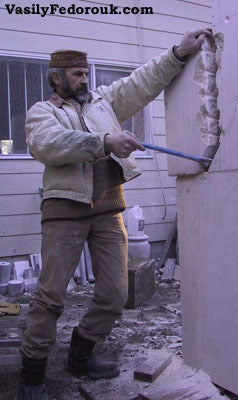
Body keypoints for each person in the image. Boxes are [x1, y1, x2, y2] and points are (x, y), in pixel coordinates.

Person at [14, 28, 211, 400]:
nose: (85, 79)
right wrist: (104, 141)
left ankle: (81, 353)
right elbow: (48, 145)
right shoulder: (43, 113)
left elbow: (143, 81)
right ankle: (33, 373)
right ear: (57, 78)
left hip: (108, 207)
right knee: (51, 295)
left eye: (87, 73)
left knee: (115, 292)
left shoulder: (104, 103)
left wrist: (177, 52)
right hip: (64, 210)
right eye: (77, 74)